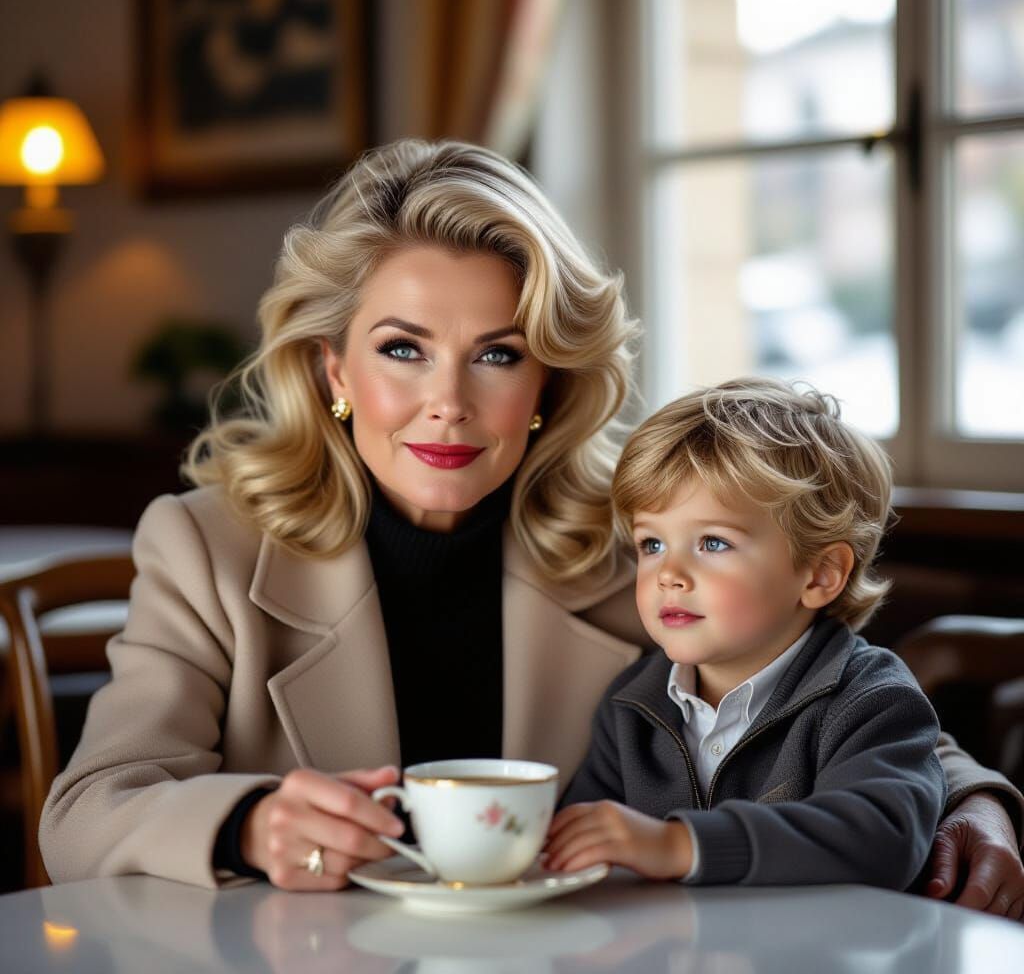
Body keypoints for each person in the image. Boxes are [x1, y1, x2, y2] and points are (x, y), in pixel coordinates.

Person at [39, 140, 1024, 915]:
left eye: (497, 354)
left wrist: (973, 797)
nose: (448, 404)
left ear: (549, 379)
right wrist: (250, 822)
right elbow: (86, 813)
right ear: (334, 373)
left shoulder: (642, 539)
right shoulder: (206, 547)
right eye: (402, 349)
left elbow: (835, 698)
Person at [546, 378, 946, 890]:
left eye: (712, 542)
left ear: (820, 575)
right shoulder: (631, 705)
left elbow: (886, 838)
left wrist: (679, 845)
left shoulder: (870, 697)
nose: (669, 573)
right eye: (651, 544)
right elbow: (583, 847)